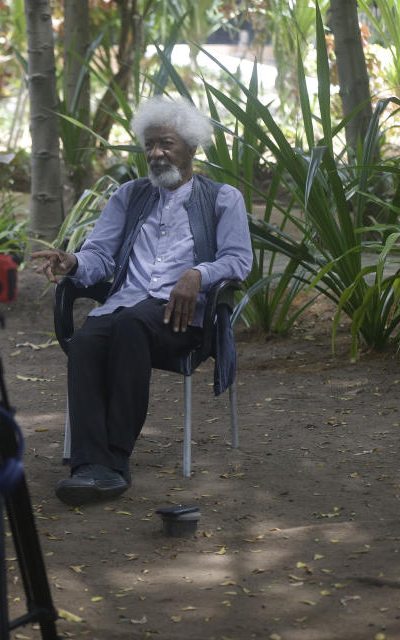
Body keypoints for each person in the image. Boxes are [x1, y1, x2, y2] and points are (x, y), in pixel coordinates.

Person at [32, 96, 253, 506]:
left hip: (183, 320)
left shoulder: (223, 199)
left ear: (190, 147)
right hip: (128, 306)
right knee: (87, 340)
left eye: (166, 144)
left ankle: (114, 463)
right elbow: (99, 255)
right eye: (149, 145)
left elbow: (239, 261)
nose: (155, 153)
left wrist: (197, 274)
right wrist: (72, 260)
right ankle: (88, 466)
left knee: (128, 327)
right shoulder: (130, 196)